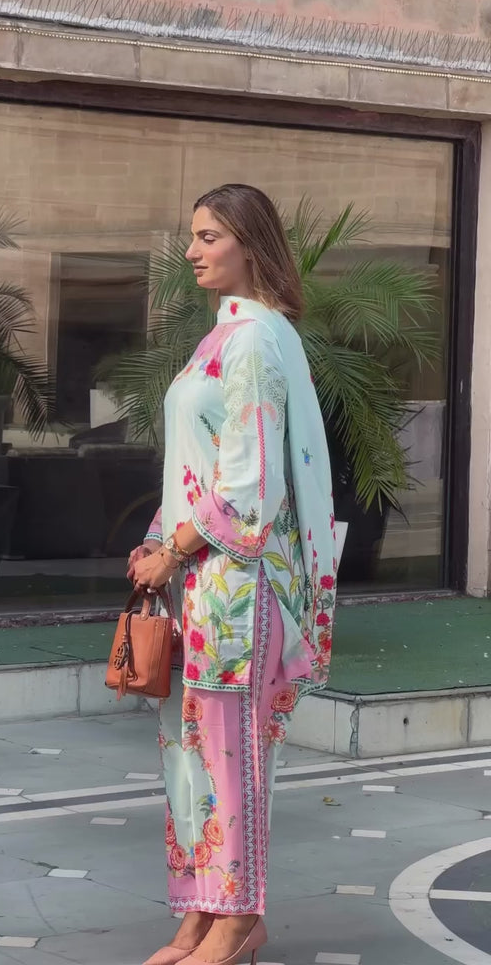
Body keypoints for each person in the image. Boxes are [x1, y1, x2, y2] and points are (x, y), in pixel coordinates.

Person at [129, 183, 337, 965]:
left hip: (237, 592)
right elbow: (196, 466)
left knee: (228, 757)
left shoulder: (253, 340)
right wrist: (157, 542)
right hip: (200, 582)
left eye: (209, 236)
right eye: (193, 235)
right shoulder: (223, 334)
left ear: (250, 243)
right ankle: (200, 913)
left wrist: (175, 548)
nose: (192, 251)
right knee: (189, 753)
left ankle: (239, 917)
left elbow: (250, 488)